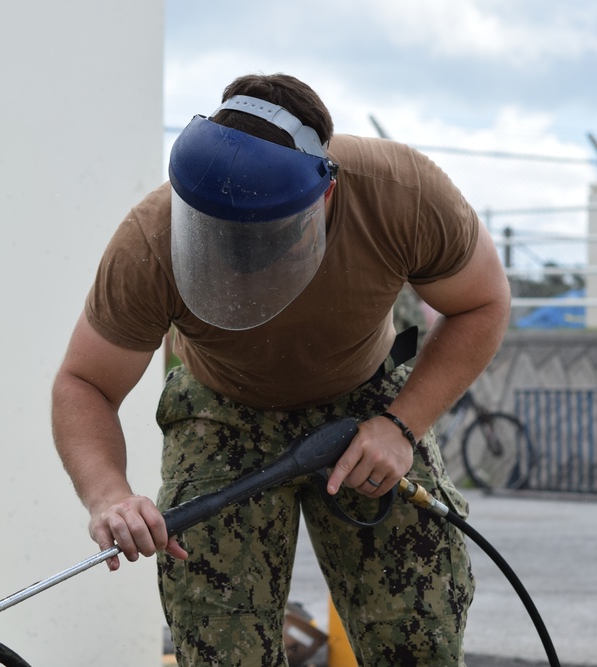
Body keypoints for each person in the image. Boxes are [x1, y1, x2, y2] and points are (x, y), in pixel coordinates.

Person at [51, 73, 510, 666]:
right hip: (222, 412)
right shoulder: (152, 237)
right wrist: (108, 496)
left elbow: (483, 301)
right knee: (219, 640)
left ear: (325, 195)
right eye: (221, 239)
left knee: (416, 634)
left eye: (267, 238)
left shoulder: (401, 194)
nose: (243, 262)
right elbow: (83, 382)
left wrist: (402, 425)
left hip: (366, 405)